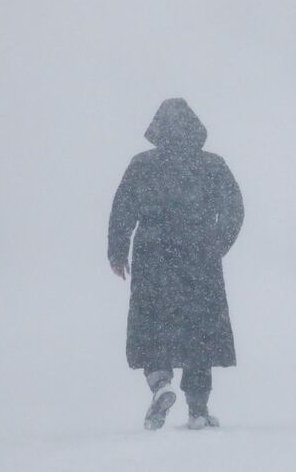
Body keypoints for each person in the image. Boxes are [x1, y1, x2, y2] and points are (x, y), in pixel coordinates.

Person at [108, 98, 244, 430]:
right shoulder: (212, 165)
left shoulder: (141, 165)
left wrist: (117, 251)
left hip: (152, 255)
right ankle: (198, 409)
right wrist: (217, 244)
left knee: (154, 320)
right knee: (199, 329)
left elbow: (122, 210)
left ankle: (160, 383)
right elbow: (234, 209)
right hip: (199, 255)